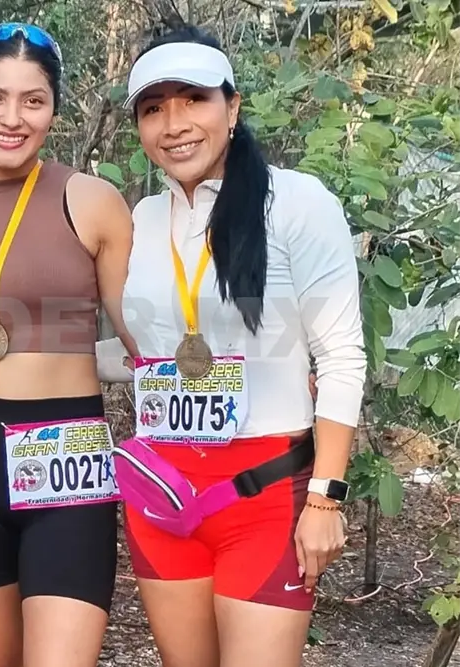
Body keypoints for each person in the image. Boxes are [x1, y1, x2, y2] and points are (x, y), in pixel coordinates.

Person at [103, 23, 365, 667]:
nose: (174, 124)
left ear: (233, 106)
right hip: (163, 491)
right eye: (153, 108)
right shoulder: (143, 219)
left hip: (263, 493)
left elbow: (340, 357)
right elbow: (143, 351)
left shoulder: (296, 203)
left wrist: (326, 497)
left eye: (194, 99)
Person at [0, 23, 140, 667]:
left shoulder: (92, 201)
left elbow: (143, 334)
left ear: (53, 112)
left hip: (66, 453)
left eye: (32, 100)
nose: (11, 118)